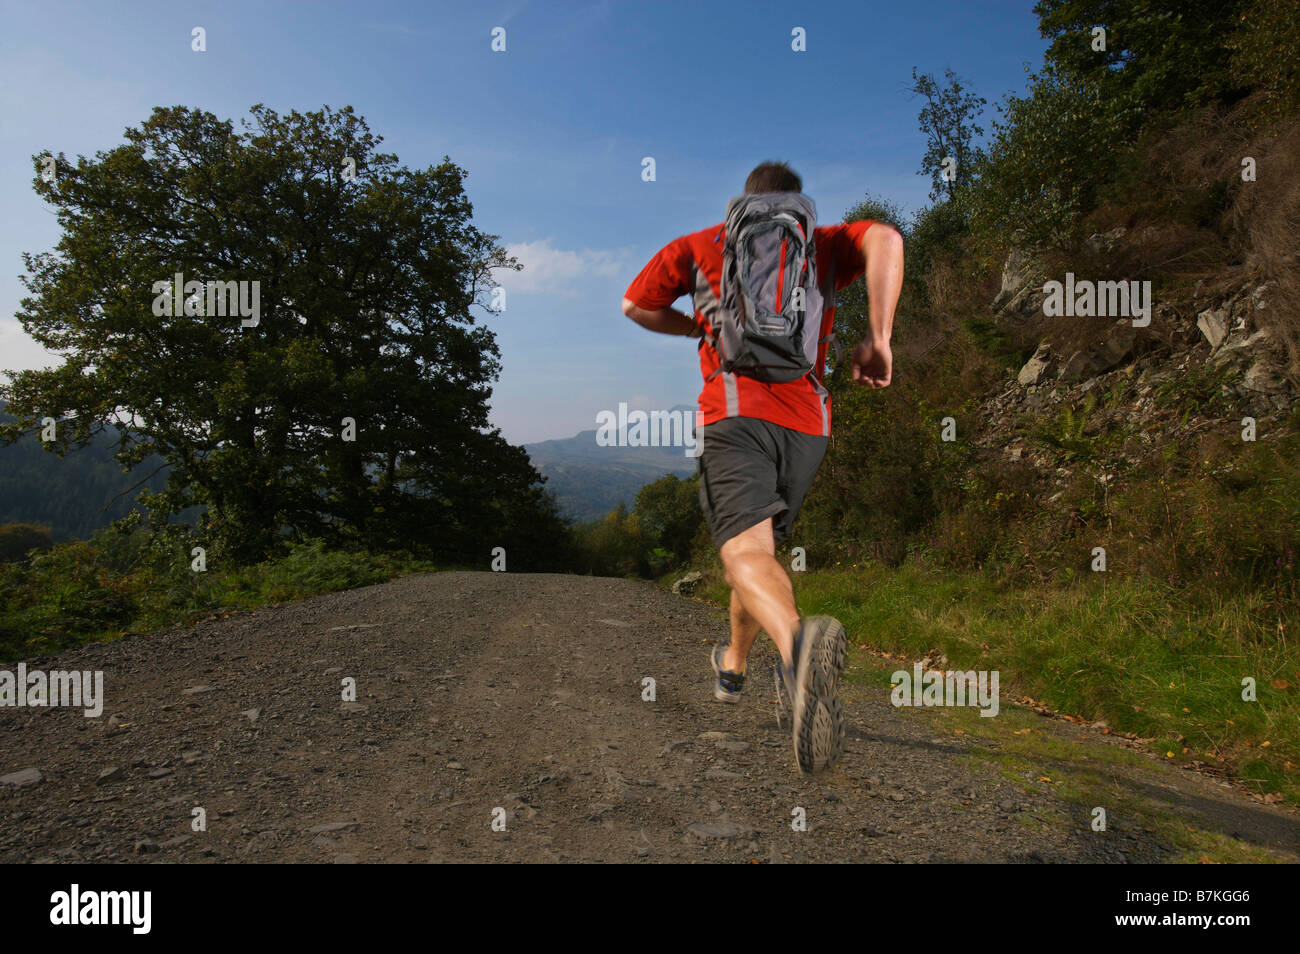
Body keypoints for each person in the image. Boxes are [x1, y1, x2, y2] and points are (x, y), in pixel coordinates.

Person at [621, 160, 903, 773]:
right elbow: (886, 238)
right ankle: (734, 668)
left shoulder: (700, 245)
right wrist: (880, 336)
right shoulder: (822, 246)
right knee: (757, 558)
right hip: (808, 426)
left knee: (742, 555)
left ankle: (798, 648)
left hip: (735, 413)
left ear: (745, 202)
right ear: (796, 205)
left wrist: (699, 325)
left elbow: (634, 307)